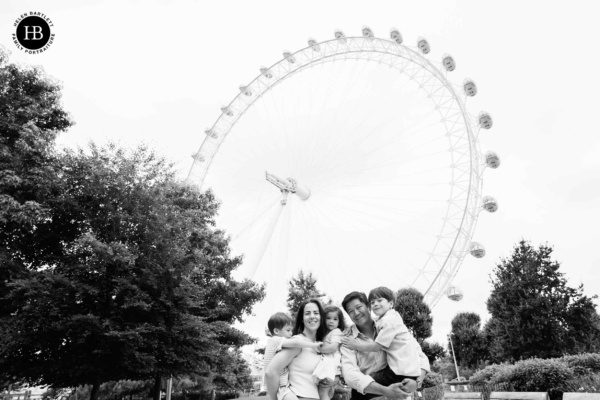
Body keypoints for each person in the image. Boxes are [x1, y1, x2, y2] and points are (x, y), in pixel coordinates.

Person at [340, 291, 430, 400]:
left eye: (359, 307)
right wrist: (386, 391)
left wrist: (416, 382)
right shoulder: (347, 339)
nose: (356, 313)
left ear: (368, 306)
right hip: (370, 394)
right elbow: (350, 375)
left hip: (399, 391)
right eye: (350, 311)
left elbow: (420, 356)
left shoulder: (389, 324)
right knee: (357, 394)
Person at [265, 299, 329, 400]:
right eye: (307, 313)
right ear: (302, 319)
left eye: (316, 313)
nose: (312, 316)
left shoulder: (321, 344)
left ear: (321, 317)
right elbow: (270, 372)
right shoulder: (297, 342)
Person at [312, 305, 346, 400]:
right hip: (329, 366)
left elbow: (333, 347)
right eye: (328, 318)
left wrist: (319, 349)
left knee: (323, 393)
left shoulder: (336, 331)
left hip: (331, 366)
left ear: (339, 322)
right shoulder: (327, 333)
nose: (331, 321)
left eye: (335, 319)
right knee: (325, 393)